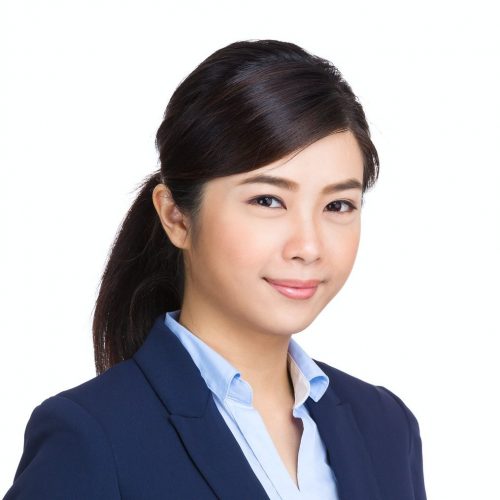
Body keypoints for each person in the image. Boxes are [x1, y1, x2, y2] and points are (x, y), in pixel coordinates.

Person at [4, 39, 426, 500]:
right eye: (268, 200)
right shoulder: (91, 436)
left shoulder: (386, 426)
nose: (309, 246)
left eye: (338, 205)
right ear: (177, 218)